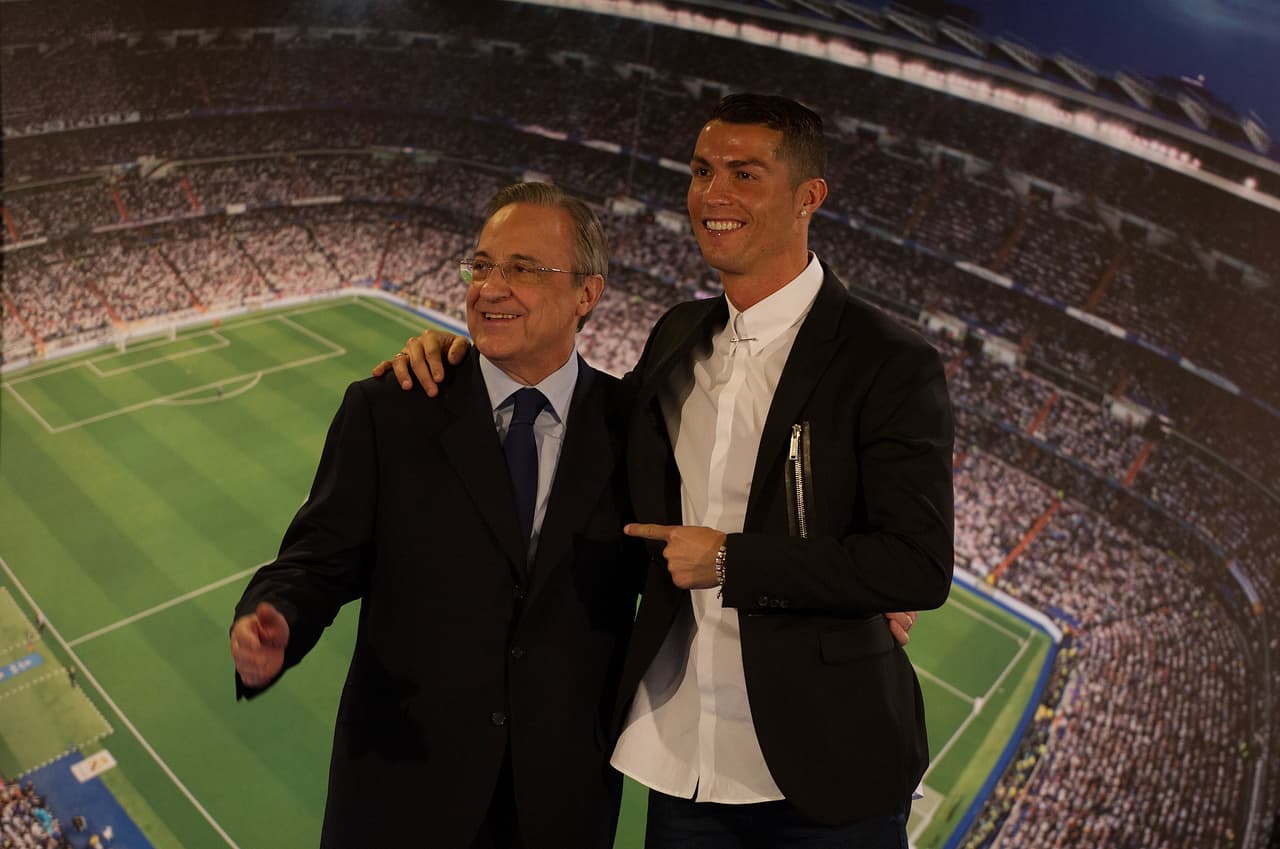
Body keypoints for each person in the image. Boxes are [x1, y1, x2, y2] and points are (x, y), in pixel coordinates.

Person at [380, 94, 951, 847]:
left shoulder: (888, 360)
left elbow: (916, 563)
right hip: (684, 763)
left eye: (745, 174)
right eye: (702, 170)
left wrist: (730, 560)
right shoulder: (680, 333)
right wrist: (473, 355)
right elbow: (596, 449)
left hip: (826, 772)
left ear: (810, 197)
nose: (713, 194)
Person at [231, 182, 643, 848]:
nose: (491, 286)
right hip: (400, 797)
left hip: (558, 808)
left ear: (587, 295)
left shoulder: (637, 429)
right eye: (482, 265)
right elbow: (318, 557)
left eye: (523, 268)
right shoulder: (391, 407)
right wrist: (277, 614)